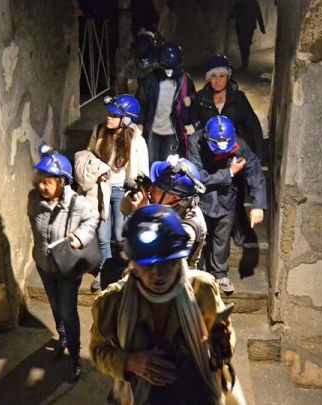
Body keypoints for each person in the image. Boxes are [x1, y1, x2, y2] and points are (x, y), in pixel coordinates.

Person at [89, 205, 243, 405]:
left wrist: (220, 342)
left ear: (179, 259)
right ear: (133, 263)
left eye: (166, 263)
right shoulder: (113, 303)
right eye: (147, 265)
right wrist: (129, 362)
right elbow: (98, 351)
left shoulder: (201, 290)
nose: (157, 274)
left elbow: (224, 344)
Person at [28, 146, 99, 382]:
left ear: (62, 182)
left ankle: (76, 356)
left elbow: (93, 218)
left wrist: (79, 237)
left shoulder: (75, 203)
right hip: (44, 264)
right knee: (56, 307)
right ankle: (62, 338)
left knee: (68, 312)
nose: (41, 186)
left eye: (47, 182)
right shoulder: (33, 199)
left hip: (67, 267)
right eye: (40, 180)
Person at [187, 115, 267, 295]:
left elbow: (254, 171)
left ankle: (220, 273)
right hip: (202, 197)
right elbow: (198, 176)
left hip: (227, 199)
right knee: (198, 236)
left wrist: (258, 204)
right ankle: (195, 274)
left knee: (222, 238)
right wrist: (229, 173)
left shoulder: (238, 143)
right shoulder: (195, 142)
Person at [195, 54, 265, 248]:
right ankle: (208, 233)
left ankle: (238, 229)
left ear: (228, 77)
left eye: (222, 76)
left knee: (236, 193)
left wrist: (257, 153)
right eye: (214, 76)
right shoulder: (202, 98)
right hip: (210, 152)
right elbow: (193, 119)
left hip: (233, 150)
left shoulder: (237, 99)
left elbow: (252, 125)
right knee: (210, 191)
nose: (218, 80)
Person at [84, 94, 149, 292]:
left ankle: (122, 270)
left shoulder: (137, 140)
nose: (108, 118)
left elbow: (143, 170)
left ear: (126, 119)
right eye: (109, 114)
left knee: (120, 236)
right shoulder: (100, 132)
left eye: (114, 115)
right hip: (102, 190)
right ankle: (104, 270)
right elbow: (89, 154)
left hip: (123, 192)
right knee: (103, 236)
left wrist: (137, 186)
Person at [120, 155, 207, 268]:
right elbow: (124, 209)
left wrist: (143, 215)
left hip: (172, 279)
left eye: (156, 188)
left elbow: (159, 263)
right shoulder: (166, 204)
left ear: (174, 197)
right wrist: (133, 195)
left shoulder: (189, 226)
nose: (151, 189)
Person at [136, 42, 196, 163]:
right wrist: (139, 122)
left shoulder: (184, 80)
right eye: (165, 67)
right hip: (152, 130)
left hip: (171, 131)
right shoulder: (150, 79)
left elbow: (193, 101)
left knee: (167, 166)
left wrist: (190, 105)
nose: (169, 72)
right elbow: (141, 101)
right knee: (150, 163)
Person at [231, 0, 265, 70]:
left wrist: (262, 26)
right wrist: (261, 26)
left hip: (244, 25)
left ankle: (244, 62)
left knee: (244, 44)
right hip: (246, 25)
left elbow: (233, 13)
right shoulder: (251, 2)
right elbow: (258, 14)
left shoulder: (243, 2)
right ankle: (244, 62)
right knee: (245, 44)